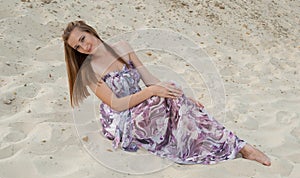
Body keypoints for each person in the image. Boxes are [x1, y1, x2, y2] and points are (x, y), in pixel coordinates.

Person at [62, 20, 271, 166]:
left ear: (90, 31)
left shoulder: (122, 47)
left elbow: (149, 78)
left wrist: (182, 97)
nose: (84, 46)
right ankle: (237, 147)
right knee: (162, 98)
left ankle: (238, 145)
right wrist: (153, 91)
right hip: (122, 118)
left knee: (173, 94)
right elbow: (116, 105)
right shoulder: (88, 71)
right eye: (77, 47)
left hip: (142, 103)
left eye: (83, 38)